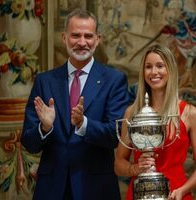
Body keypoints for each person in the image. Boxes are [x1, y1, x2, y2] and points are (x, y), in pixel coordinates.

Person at [21, 8, 130, 200]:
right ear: (64, 38)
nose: (82, 42)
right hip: (52, 189)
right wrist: (44, 128)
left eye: (88, 36)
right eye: (75, 35)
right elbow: (29, 142)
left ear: (98, 39)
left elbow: (116, 135)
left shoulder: (114, 80)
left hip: (96, 188)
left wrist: (83, 124)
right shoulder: (44, 81)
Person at [114, 44, 196, 200]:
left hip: (176, 194)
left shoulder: (189, 113)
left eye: (160, 66)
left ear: (170, 70)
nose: (154, 72)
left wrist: (183, 190)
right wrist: (135, 168)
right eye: (148, 67)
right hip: (140, 193)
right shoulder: (132, 112)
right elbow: (118, 164)